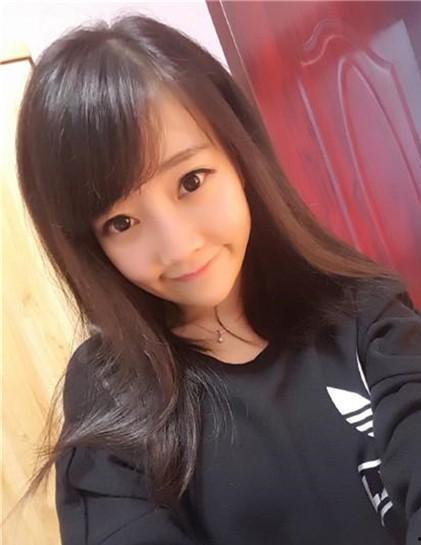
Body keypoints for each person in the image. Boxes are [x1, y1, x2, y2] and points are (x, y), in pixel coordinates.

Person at [13, 13, 421, 545]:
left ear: (239, 154)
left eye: (191, 181)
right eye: (122, 223)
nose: (178, 246)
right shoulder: (111, 393)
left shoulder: (364, 311)